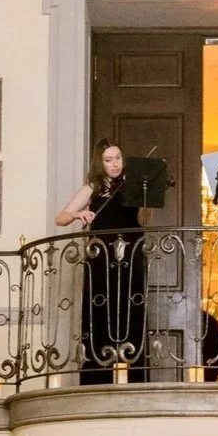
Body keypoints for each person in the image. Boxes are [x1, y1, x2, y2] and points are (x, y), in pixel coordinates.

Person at [56, 140, 148, 385]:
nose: (115, 164)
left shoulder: (132, 184)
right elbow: (60, 218)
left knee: (131, 308)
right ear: (100, 162)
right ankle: (99, 376)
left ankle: (132, 375)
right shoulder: (92, 188)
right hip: (102, 257)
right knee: (101, 310)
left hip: (130, 255)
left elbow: (143, 220)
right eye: (109, 160)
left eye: (118, 158)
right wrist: (78, 214)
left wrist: (145, 197)